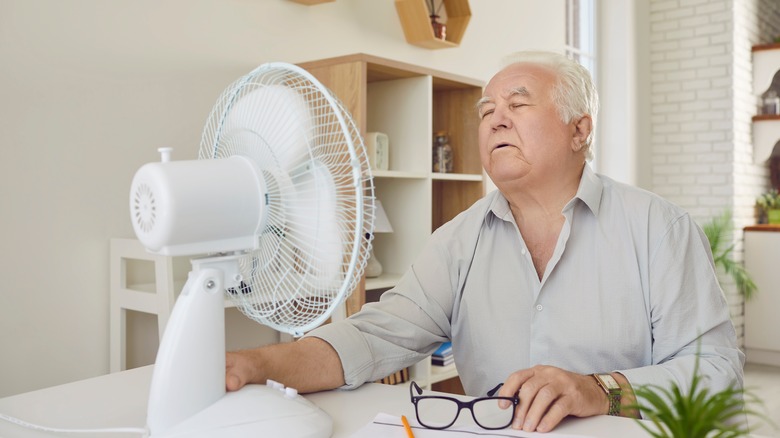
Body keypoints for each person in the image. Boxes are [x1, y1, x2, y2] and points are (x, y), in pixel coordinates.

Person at [225, 51, 744, 433]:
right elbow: (373, 337)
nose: (495, 117)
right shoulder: (456, 241)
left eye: (518, 104)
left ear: (580, 130)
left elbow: (718, 373)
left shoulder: (659, 228)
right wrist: (257, 364)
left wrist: (600, 389)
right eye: (485, 110)